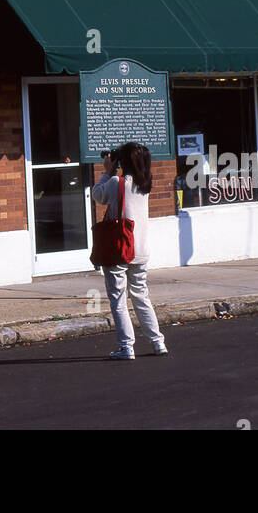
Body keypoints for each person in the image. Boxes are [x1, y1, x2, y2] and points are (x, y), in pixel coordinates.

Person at [91, 141, 167, 361]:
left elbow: (97, 195)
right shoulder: (145, 185)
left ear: (123, 161)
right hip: (141, 249)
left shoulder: (117, 182)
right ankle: (157, 341)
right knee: (141, 296)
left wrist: (107, 171)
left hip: (120, 250)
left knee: (119, 299)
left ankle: (126, 346)